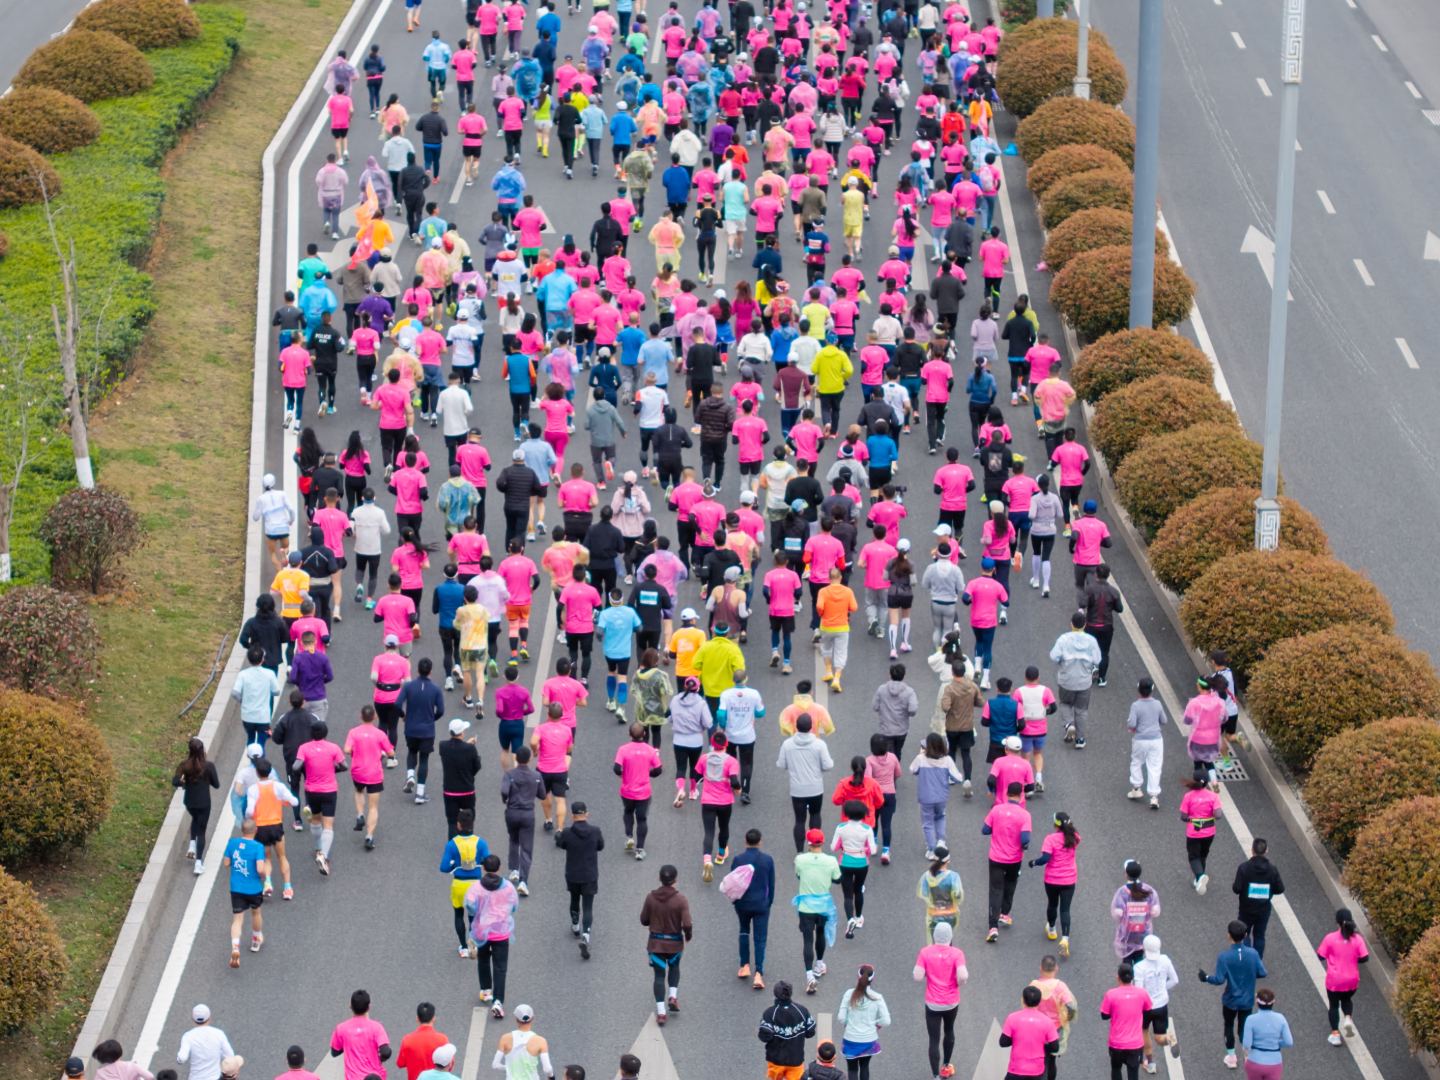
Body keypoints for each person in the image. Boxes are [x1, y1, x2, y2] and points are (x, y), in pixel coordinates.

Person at [1200, 920, 1267, 1070]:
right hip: (1248, 999)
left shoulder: (1224, 957)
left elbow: (1219, 979)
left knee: (1228, 1025)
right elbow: (1262, 972)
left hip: (1230, 999)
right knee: (1244, 1028)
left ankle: (1231, 1057)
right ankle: (1248, 1055)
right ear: (1245, 935)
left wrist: (1206, 978)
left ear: (1229, 936)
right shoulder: (1253, 953)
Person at [465, 855, 520, 1017]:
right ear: (499, 868)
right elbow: (514, 904)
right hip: (501, 932)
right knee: (500, 967)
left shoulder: (476, 887)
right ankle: (498, 1001)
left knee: (483, 960)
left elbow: (469, 904)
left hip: (482, 931)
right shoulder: (508, 887)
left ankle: (486, 989)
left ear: (483, 868)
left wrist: (476, 914)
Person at [912, 921, 967, 1080]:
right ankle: (946, 1066)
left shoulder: (925, 952)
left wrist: (928, 974)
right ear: (950, 937)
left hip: (933, 1003)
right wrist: (958, 983)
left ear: (934, 936)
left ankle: (935, 1076)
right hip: (951, 1002)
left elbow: (917, 976)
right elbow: (963, 975)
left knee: (934, 1038)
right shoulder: (957, 953)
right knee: (949, 1031)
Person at [640, 864, 693, 1023]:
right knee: (674, 967)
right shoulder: (681, 900)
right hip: (674, 944)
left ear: (659, 879)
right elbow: (687, 924)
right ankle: (673, 996)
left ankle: (661, 1013)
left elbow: (644, 920)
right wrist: (688, 936)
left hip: (656, 944)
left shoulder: (651, 897)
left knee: (659, 975)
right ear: (675, 880)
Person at [777, 714, 835, 853]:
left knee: (799, 821)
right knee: (815, 815)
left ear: (796, 726)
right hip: (815, 788)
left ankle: (799, 852)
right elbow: (828, 765)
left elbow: (781, 764)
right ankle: (814, 848)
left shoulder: (787, 744)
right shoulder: (819, 744)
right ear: (811, 727)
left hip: (797, 789)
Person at [981, 780, 1031, 942]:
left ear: (1007, 793)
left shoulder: (996, 810)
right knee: (1010, 885)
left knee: (995, 889)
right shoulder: (1025, 815)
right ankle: (1005, 913)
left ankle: (993, 927)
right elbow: (1025, 839)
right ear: (1021, 795)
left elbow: (985, 830)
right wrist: (1024, 846)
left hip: (995, 857)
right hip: (1014, 859)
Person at [794, 829, 841, 995]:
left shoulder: (800, 859)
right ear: (822, 841)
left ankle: (808, 975)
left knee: (807, 938)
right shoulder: (831, 861)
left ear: (808, 842)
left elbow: (799, 875)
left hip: (806, 905)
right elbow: (837, 879)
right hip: (823, 905)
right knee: (820, 933)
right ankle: (819, 964)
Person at [556, 800, 605, 957]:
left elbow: (561, 845)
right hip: (590, 874)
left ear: (571, 815)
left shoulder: (567, 833)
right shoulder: (595, 831)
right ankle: (586, 935)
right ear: (586, 814)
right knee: (588, 906)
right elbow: (600, 846)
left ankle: (576, 926)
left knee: (574, 899)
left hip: (573, 874)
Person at [1028, 811, 1080, 956]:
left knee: (1052, 904)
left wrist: (1034, 862)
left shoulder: (1050, 839)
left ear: (1056, 826)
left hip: (1052, 879)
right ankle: (1065, 940)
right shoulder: (1075, 838)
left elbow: (1045, 858)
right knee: (1065, 909)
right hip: (1069, 879)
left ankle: (1051, 929)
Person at [440, 808, 488, 957]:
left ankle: (463, 947)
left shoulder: (452, 844)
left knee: (459, 914)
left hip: (459, 884)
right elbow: (488, 862)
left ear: (458, 825)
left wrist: (454, 866)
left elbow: (444, 868)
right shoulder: (480, 843)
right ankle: (473, 944)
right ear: (473, 823)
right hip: (476, 885)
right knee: (474, 916)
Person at [1318, 908, 1369, 1047]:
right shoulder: (1357, 939)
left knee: (1334, 1006)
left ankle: (1335, 1035)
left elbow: (1320, 956)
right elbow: (1365, 958)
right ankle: (1348, 1017)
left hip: (1334, 980)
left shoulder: (1330, 938)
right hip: (1352, 979)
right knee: (1347, 999)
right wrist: (1352, 959)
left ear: (1338, 923)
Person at [732, 828, 775, 990]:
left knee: (744, 931)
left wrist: (736, 902)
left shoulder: (738, 859)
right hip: (761, 903)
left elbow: (733, 882)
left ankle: (745, 965)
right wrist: (768, 902)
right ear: (760, 842)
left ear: (745, 841)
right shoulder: (767, 860)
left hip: (743, 903)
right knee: (760, 938)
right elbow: (771, 884)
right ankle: (759, 973)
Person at [1050, 611, 1101, 748]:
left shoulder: (1064, 639)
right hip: (1084, 681)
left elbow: (1054, 656)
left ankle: (1068, 724)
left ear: (1071, 623)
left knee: (1065, 704)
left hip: (1066, 680)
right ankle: (1080, 739)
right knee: (1082, 709)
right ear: (1084, 625)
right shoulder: (1091, 640)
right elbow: (1097, 659)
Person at [221, 818, 268, 967]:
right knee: (256, 913)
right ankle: (255, 941)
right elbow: (260, 869)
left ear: (242, 829)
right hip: (254, 888)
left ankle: (235, 947)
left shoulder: (232, 843)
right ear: (255, 830)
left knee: (237, 920)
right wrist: (265, 877)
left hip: (237, 888)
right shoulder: (258, 847)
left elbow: (226, 863)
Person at [911, 732, 965, 858]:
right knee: (940, 816)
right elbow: (957, 778)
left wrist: (920, 755)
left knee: (928, 822)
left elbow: (912, 770)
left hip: (925, 797)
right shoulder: (947, 760)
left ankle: (931, 849)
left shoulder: (921, 759)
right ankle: (941, 841)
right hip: (941, 796)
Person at [173, 738, 221, 874]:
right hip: (204, 802)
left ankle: (192, 843)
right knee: (202, 830)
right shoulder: (208, 766)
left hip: (189, 801)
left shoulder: (184, 765)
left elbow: (175, 781)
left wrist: (184, 783)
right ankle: (198, 862)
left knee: (195, 818)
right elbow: (216, 784)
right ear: (202, 751)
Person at [1133, 935, 1180, 1073]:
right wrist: (1162, 988)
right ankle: (1168, 1039)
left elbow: (1140, 991)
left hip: (1146, 1007)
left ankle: (1150, 1062)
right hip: (1161, 1004)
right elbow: (1175, 980)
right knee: (1159, 1036)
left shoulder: (1139, 967)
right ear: (1159, 948)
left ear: (1143, 948)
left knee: (1143, 1031)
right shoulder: (1165, 960)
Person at [1099, 964, 1154, 1080]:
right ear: (1132, 978)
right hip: (1135, 1043)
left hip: (1116, 1043)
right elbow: (1148, 1011)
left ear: (1118, 977)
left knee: (1116, 1069)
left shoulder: (1111, 994)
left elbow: (1104, 1015)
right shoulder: (1142, 993)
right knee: (1133, 1072)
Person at [834, 965, 889, 1080]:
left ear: (857, 977)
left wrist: (848, 1023)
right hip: (869, 1040)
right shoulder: (877, 997)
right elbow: (886, 1021)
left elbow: (841, 1018)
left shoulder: (849, 994)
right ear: (872, 979)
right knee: (865, 1066)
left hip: (851, 1039)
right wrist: (876, 1025)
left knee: (852, 1069)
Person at [501, 746, 542, 894]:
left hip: (512, 812)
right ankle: (523, 881)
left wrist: (506, 799)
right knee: (526, 847)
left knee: (513, 840)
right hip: (527, 814)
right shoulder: (536, 776)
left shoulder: (509, 774)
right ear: (530, 759)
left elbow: (504, 791)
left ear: (515, 759)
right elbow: (542, 795)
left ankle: (513, 870)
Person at [999, 985, 1060, 1080]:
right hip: (1037, 1072)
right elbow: (1055, 1048)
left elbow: (1003, 1042)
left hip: (1016, 1070)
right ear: (1039, 1002)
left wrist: (1017, 1039)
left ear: (1023, 1000)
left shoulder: (1012, 1018)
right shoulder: (1047, 1021)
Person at [759, 980, 818, 1080]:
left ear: (775, 994)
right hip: (796, 1059)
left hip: (775, 1060)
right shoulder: (801, 1010)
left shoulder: (770, 1014)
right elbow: (810, 1032)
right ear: (790, 993)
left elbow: (765, 1037)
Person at [1029, 955, 1078, 1073]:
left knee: (1037, 1057)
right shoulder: (1061, 987)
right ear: (1056, 969)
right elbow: (1070, 1007)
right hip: (1055, 1030)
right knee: (1051, 1059)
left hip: (1037, 1028)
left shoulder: (1034, 986)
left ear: (1041, 969)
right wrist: (1066, 1019)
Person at [1126, 678, 1166, 808]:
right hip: (1156, 739)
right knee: (1155, 766)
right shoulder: (1157, 704)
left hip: (1140, 739)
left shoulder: (1136, 705)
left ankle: (1136, 788)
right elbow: (1164, 720)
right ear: (1151, 690)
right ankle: (1154, 797)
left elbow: (1131, 723)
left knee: (1137, 761)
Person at [1179, 775, 1223, 894]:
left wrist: (1190, 819)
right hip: (1209, 832)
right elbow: (1218, 815)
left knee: (1193, 857)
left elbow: (1183, 817)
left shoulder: (1188, 796)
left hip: (1194, 831)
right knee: (1203, 855)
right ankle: (1199, 879)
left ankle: (1200, 876)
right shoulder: (1213, 796)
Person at [493, 1005, 553, 1078]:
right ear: (533, 1018)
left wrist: (507, 1068)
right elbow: (547, 1069)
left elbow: (495, 1065)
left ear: (516, 1019)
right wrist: (551, 1076)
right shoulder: (541, 1041)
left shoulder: (505, 1038)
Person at [177, 1005, 234, 1080]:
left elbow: (182, 1058)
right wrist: (217, 1053)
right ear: (209, 1018)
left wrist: (179, 1060)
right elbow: (230, 1055)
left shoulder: (188, 1036)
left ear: (193, 1019)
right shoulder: (219, 1033)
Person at [395, 1003, 448, 1080]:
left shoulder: (407, 1040)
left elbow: (400, 1063)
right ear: (433, 1019)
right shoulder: (442, 1039)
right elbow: (449, 1064)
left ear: (417, 1018)